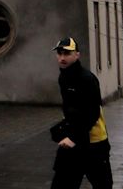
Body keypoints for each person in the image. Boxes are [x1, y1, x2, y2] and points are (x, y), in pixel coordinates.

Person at [51, 35, 112, 188]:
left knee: (103, 185)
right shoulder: (63, 77)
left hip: (94, 142)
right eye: (59, 53)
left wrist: (73, 137)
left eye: (67, 53)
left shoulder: (87, 79)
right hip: (74, 141)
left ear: (77, 55)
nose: (62, 57)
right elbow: (71, 110)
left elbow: (92, 113)